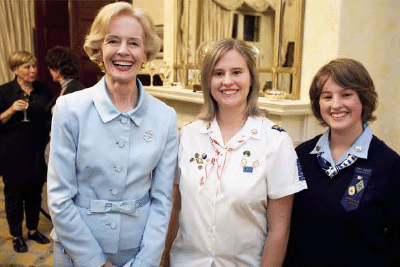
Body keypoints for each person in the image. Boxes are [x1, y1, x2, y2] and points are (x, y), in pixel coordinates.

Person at [47, 2, 178, 267]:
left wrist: (146, 262)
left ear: (146, 52)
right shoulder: (69, 109)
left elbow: (163, 200)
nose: (123, 51)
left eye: (134, 43)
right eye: (113, 40)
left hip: (137, 252)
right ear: (99, 48)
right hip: (76, 252)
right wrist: (96, 262)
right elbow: (59, 199)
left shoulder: (165, 117)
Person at [164, 38, 307, 267]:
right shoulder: (188, 136)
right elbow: (176, 208)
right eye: (218, 73)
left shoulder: (276, 141)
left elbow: (279, 230)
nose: (227, 81)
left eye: (237, 72)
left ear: (251, 78)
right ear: (207, 81)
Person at [284, 58, 400, 266]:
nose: (336, 105)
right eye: (327, 97)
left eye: (346, 95)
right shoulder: (301, 155)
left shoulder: (389, 165)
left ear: (363, 99)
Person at [0, 51, 50, 253]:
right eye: (27, 67)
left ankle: (32, 230)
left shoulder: (42, 89)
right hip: (12, 154)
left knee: (34, 194)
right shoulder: (3, 92)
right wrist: (11, 110)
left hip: (36, 152)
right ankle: (16, 235)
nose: (32, 70)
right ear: (15, 70)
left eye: (34, 66)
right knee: (14, 197)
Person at [44, 46, 85, 164]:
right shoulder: (63, 90)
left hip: (66, 149)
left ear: (57, 69)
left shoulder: (76, 90)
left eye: (51, 68)